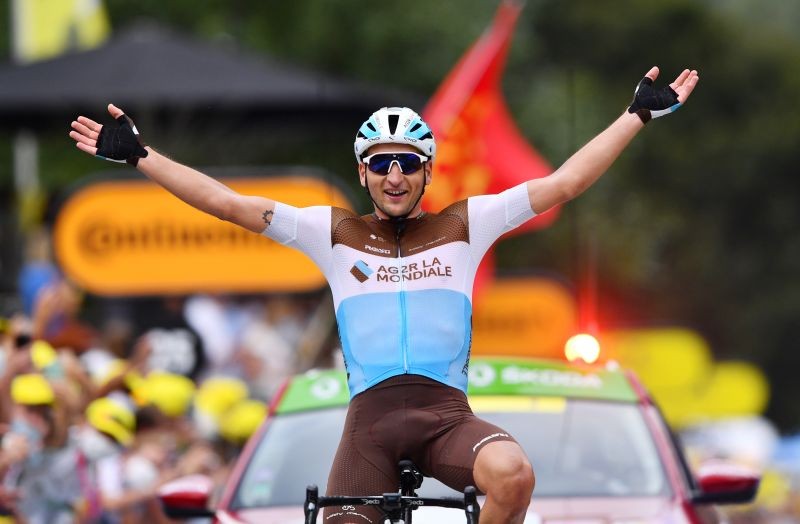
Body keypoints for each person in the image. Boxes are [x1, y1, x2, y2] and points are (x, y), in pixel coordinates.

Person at [69, 66, 699, 524]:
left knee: (513, 475)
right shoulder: (332, 231)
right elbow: (230, 204)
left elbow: (563, 184)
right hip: (367, 429)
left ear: (427, 170)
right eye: (380, 162)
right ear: (363, 172)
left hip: (447, 417)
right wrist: (142, 156)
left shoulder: (466, 223)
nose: (394, 174)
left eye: (406, 161)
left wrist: (636, 115)